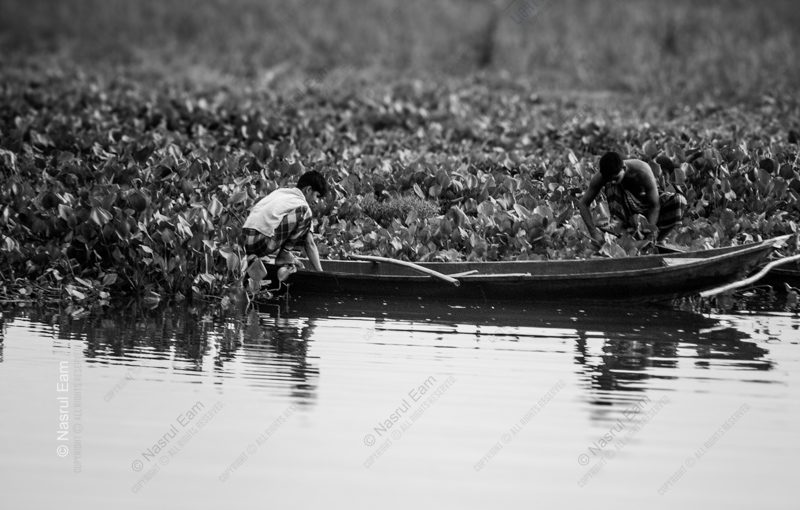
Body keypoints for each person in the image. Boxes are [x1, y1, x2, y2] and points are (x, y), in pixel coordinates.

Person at [578, 151, 686, 243]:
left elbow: (655, 205)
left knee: (679, 201)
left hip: (645, 207)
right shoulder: (602, 177)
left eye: (616, 178)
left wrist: (648, 231)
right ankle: (622, 233)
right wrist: (593, 232)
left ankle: (657, 241)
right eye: (609, 178)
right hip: (625, 213)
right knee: (611, 185)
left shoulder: (642, 171)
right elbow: (583, 203)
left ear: (624, 168)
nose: (613, 181)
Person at [242, 170, 329, 272]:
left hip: (244, 242)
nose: (317, 201)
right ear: (308, 190)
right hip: (260, 243)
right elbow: (309, 243)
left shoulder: (281, 192)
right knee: (305, 212)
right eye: (317, 196)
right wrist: (320, 272)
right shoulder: (302, 205)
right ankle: (284, 254)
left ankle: (277, 254)